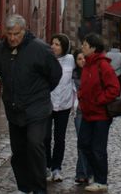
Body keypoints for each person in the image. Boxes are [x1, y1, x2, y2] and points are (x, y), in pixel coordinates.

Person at [0, 14, 61, 194]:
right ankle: (24, 187)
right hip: (14, 109)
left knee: (35, 144)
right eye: (9, 34)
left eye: (16, 33)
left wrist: (40, 93)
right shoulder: (0, 50)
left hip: (37, 108)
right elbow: (0, 70)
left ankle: (39, 189)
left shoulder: (40, 49)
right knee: (19, 151)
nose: (13, 38)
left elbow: (55, 74)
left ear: (24, 31)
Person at [77, 33, 120, 192]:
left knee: (98, 148)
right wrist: (81, 96)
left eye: (85, 45)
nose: (82, 47)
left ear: (93, 48)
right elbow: (85, 86)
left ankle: (101, 181)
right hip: (88, 113)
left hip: (101, 115)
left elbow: (114, 89)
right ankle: (96, 174)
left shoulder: (103, 65)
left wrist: (98, 100)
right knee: (83, 143)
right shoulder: (87, 65)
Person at [45, 34, 74, 183]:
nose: (54, 47)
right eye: (53, 43)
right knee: (45, 137)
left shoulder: (70, 60)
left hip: (64, 104)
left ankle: (57, 168)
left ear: (64, 47)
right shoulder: (46, 59)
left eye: (57, 44)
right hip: (48, 103)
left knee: (59, 138)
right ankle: (46, 165)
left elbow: (75, 78)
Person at [71, 50, 92, 186]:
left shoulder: (93, 72)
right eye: (79, 59)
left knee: (89, 143)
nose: (82, 61)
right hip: (79, 112)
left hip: (92, 111)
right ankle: (85, 173)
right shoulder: (73, 76)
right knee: (82, 142)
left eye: (84, 58)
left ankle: (82, 173)